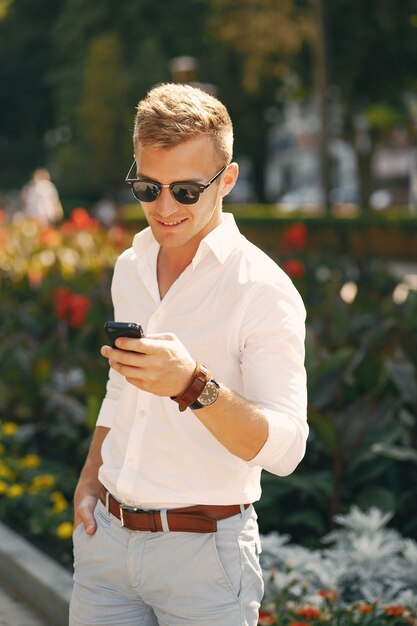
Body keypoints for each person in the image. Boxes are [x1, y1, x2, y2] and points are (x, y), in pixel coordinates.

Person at [70, 83, 308, 626]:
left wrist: (193, 385)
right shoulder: (132, 264)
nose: (163, 207)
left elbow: (288, 448)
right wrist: (89, 478)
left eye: (185, 190)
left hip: (205, 562)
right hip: (105, 547)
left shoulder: (261, 289)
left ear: (226, 180)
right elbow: (120, 385)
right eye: (148, 187)